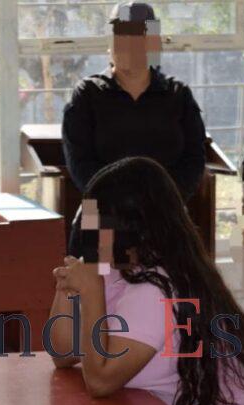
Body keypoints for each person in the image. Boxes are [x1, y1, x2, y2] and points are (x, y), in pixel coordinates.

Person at [49, 156, 244, 405]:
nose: (90, 230)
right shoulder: (118, 270)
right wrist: (68, 285)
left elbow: (100, 380)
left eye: (97, 220)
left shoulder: (157, 286)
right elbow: (62, 353)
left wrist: (90, 294)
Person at [62, 1, 207, 254]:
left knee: (177, 292)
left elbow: (194, 160)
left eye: (138, 37)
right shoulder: (87, 95)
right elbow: (80, 163)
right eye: (121, 36)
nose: (128, 45)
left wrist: (160, 202)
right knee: (81, 293)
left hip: (166, 220)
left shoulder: (178, 95)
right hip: (102, 218)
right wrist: (120, 205)